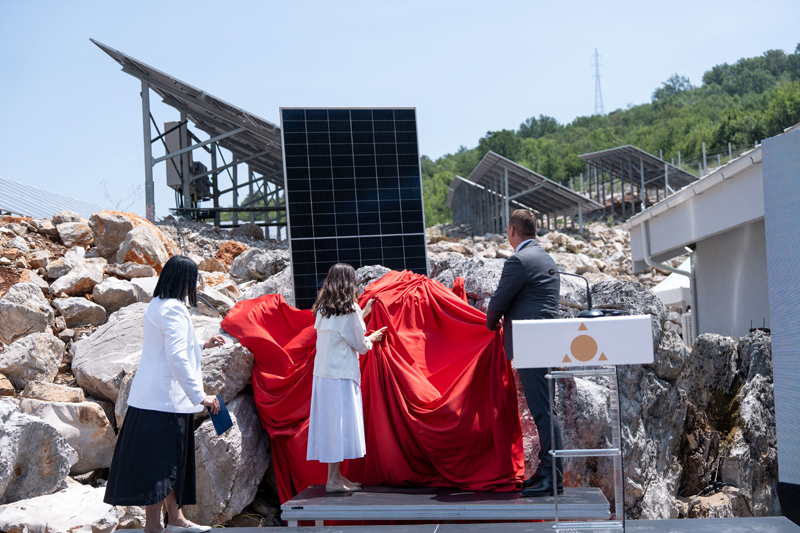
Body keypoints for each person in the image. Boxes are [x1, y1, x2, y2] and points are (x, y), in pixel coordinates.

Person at [104, 255, 227, 533]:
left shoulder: (157, 305)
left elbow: (173, 346)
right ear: (183, 280)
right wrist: (201, 395)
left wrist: (202, 344)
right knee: (162, 464)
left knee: (164, 462)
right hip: (166, 401)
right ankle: (154, 527)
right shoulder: (172, 308)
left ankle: (174, 520)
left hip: (151, 399)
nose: (195, 284)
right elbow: (176, 358)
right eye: (194, 279)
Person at [486, 209, 564, 497]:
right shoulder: (545, 257)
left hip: (533, 343)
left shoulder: (518, 260)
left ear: (511, 231)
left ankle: (553, 479)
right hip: (546, 340)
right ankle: (547, 472)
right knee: (545, 409)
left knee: (543, 411)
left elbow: (499, 300)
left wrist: (489, 323)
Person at [307, 263, 387, 493]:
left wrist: (363, 312)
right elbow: (359, 345)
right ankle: (333, 480)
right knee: (339, 425)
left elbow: (341, 328)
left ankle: (336, 476)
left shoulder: (323, 308)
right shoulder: (350, 310)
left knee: (332, 425)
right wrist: (372, 338)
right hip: (340, 375)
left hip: (323, 375)